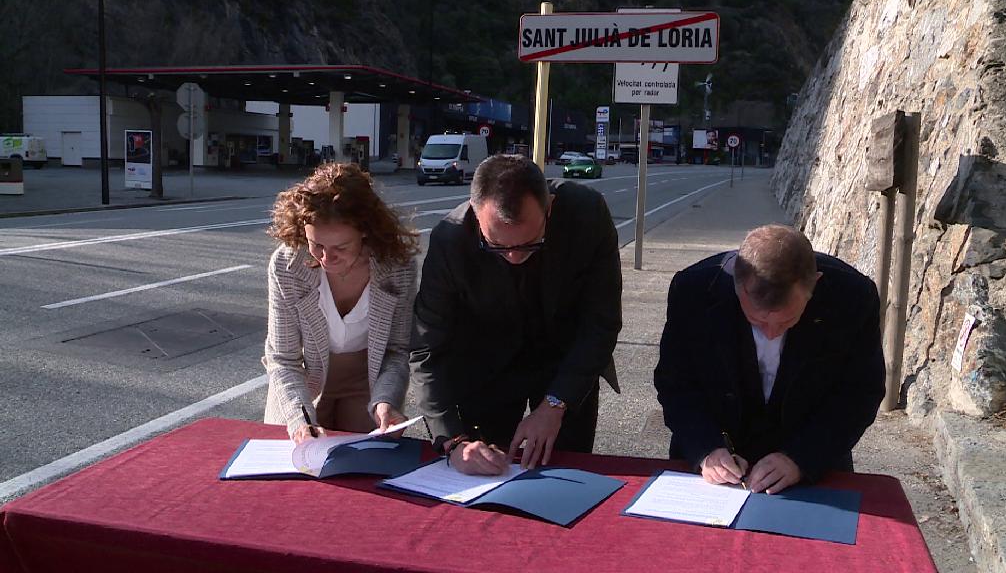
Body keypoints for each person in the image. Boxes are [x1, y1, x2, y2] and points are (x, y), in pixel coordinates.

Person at [411, 154, 622, 475]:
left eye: (530, 244)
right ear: (476, 215)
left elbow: (600, 322)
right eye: (495, 245)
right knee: (480, 473)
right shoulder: (450, 239)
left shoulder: (587, 214)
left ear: (549, 208)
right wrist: (452, 441)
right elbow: (427, 348)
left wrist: (556, 404)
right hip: (484, 368)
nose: (513, 257)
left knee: (563, 476)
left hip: (566, 362)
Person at [654, 224, 885, 494]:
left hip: (812, 462)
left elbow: (859, 393)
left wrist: (801, 458)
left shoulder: (852, 298)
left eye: (788, 321)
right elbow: (676, 384)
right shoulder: (694, 291)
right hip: (715, 468)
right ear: (736, 286)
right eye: (756, 320)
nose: (772, 334)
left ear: (815, 284)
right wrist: (706, 449)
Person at [263, 162, 419, 443]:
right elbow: (283, 360)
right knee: (300, 470)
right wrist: (300, 419)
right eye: (316, 244)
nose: (325, 258)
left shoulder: (397, 267)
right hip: (302, 386)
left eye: (340, 248)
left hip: (366, 385)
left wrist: (387, 400)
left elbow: (396, 351)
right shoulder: (287, 265)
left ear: (365, 231)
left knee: (362, 471)